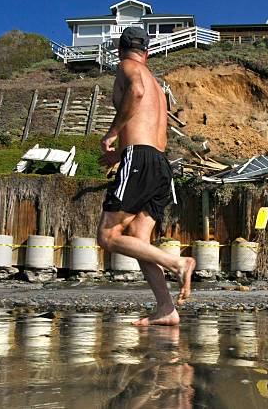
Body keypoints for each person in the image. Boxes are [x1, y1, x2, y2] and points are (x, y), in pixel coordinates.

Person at [97, 27, 196, 327]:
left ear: (119, 49)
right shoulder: (156, 83)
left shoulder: (129, 67)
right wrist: (120, 154)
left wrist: (113, 134)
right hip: (159, 164)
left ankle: (177, 263)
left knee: (107, 236)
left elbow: (135, 93)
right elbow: (151, 131)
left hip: (140, 160)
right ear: (148, 52)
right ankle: (166, 308)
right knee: (139, 239)